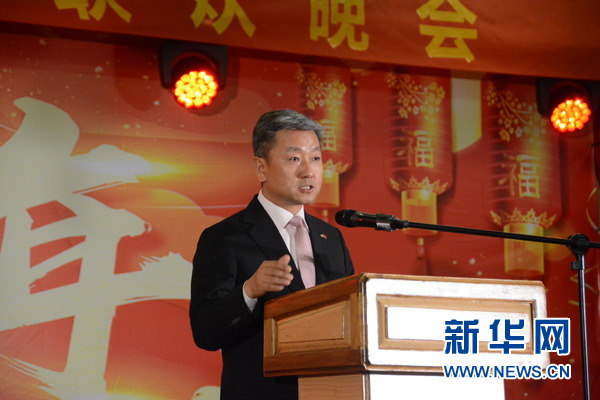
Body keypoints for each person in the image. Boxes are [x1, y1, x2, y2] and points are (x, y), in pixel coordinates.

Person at [189, 109, 355, 400]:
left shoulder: (331, 238)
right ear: (261, 168)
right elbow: (206, 333)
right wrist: (250, 291)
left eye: (316, 158)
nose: (309, 171)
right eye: (294, 159)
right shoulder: (225, 237)